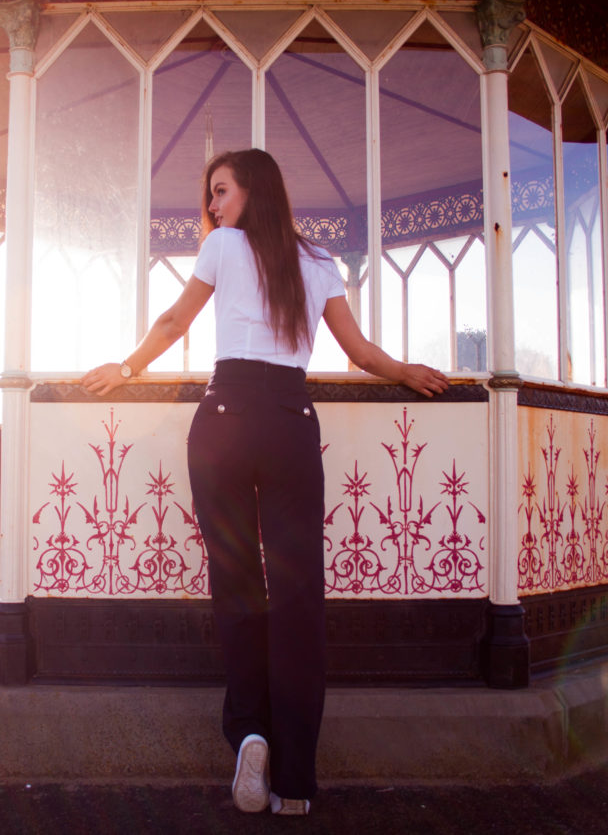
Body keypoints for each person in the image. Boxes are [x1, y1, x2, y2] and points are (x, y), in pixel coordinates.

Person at [83, 149, 448, 815]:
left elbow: (173, 322)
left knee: (237, 589)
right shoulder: (319, 261)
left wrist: (126, 366)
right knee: (300, 598)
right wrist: (408, 371)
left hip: (222, 422)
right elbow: (359, 351)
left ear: (253, 188)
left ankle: (251, 730)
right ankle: (296, 780)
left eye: (220, 192)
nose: (213, 207)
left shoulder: (221, 247)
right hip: (289, 421)